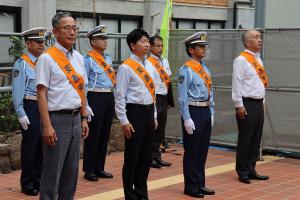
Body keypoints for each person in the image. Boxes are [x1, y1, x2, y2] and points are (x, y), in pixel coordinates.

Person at [35, 12, 89, 200]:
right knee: (52, 172)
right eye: (67, 28)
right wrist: (47, 125)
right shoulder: (47, 58)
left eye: (75, 28)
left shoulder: (79, 58)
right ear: (55, 32)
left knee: (71, 172)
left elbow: (82, 89)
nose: (72, 32)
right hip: (56, 120)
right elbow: (41, 94)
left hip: (75, 119)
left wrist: (83, 117)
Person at [114, 28, 159, 200]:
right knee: (132, 157)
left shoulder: (150, 65)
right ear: (133, 45)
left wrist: (154, 116)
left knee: (146, 157)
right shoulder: (126, 67)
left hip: (148, 113)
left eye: (148, 41)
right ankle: (130, 195)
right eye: (143, 41)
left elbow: (152, 94)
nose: (147, 44)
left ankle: (142, 193)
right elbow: (120, 96)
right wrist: (124, 121)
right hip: (134, 113)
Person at [178, 32, 215, 198]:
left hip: (205, 110)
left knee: (202, 150)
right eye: (200, 46)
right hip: (193, 111)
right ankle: (190, 186)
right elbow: (182, 97)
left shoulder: (204, 68)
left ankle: (200, 183)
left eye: (204, 46)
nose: (204, 49)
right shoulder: (186, 70)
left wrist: (211, 112)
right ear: (191, 49)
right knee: (192, 151)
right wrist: (186, 118)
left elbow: (210, 91)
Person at [12, 27, 46, 196]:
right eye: (38, 42)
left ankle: (39, 180)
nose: (42, 45)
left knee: (42, 146)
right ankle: (27, 183)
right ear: (28, 44)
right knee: (30, 146)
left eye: (43, 42)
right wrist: (20, 112)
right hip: (30, 106)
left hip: (43, 106)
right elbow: (17, 91)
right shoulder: (22, 63)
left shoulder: (44, 61)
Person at [232, 29, 269, 184]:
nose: (259, 39)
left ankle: (251, 168)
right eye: (256, 37)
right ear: (247, 42)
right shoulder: (241, 60)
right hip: (246, 103)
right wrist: (239, 105)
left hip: (258, 103)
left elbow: (260, 84)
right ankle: (242, 170)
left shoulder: (258, 59)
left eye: (260, 37)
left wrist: (263, 102)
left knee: (256, 138)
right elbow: (237, 83)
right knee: (245, 139)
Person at [83, 25, 114, 181]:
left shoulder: (107, 58)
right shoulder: (88, 59)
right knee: (93, 134)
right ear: (93, 41)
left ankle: (99, 167)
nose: (104, 41)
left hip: (108, 96)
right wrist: (86, 104)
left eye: (105, 38)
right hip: (95, 97)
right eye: (101, 39)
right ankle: (89, 169)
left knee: (104, 134)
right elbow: (84, 83)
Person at [148, 35, 172, 169]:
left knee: (161, 129)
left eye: (162, 46)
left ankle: (157, 157)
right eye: (157, 45)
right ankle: (151, 157)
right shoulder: (148, 62)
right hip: (154, 97)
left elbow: (167, 81)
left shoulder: (165, 61)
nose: (160, 48)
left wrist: (169, 100)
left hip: (163, 96)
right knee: (153, 128)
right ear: (151, 47)